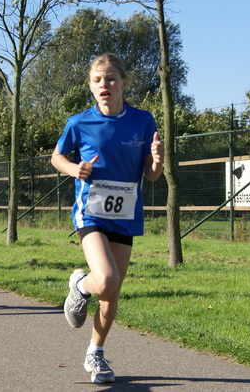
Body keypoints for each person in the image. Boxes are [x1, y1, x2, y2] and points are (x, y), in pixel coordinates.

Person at [50, 53, 164, 384]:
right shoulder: (79, 122)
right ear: (90, 85)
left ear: (124, 83)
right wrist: (74, 168)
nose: (105, 84)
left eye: (111, 78)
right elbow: (57, 157)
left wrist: (157, 161)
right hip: (91, 213)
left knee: (112, 291)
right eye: (98, 79)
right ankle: (80, 284)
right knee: (106, 278)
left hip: (125, 214)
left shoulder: (143, 120)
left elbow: (152, 175)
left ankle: (96, 353)